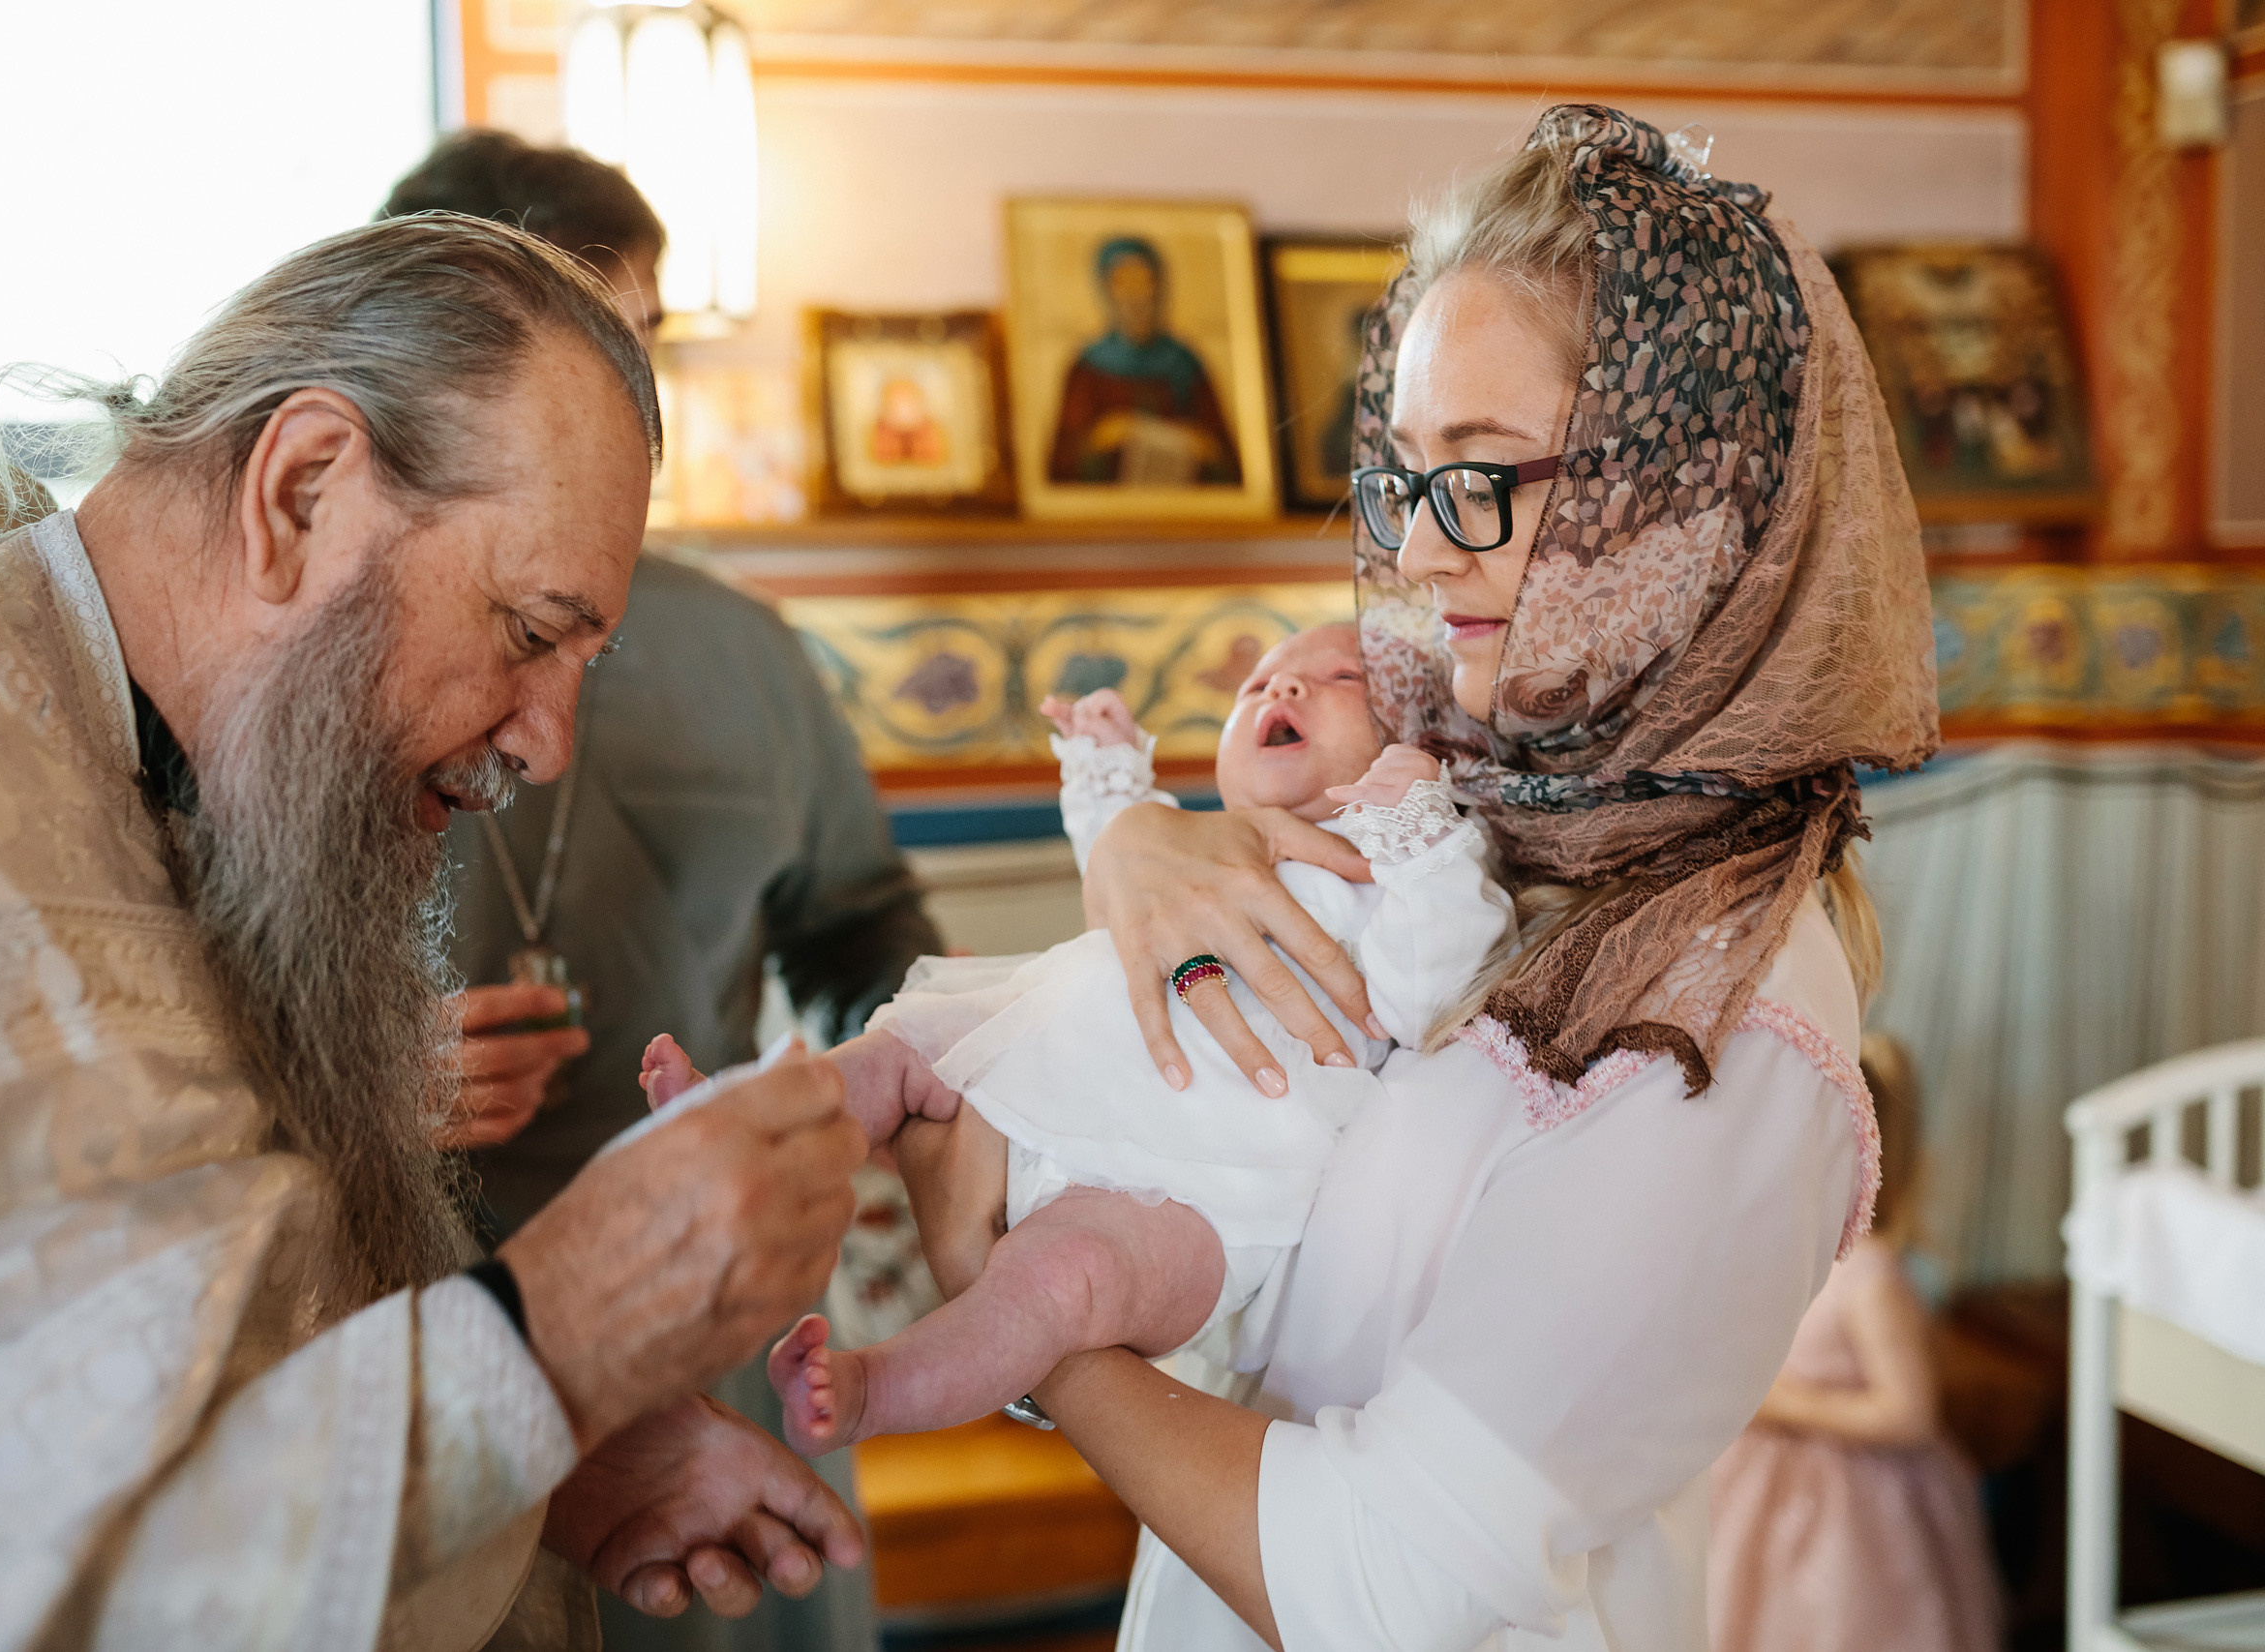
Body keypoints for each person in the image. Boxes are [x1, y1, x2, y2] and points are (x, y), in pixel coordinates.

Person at [846, 105, 1942, 1650]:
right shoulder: (1496, 803)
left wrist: (1019, 1311)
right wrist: (1151, 847)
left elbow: (1391, 1580)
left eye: (1486, 474)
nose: (1426, 557)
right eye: (1408, 478)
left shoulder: (1729, 1027)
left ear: (1694, 504)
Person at [0, 216, 887, 1649]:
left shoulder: (177, 781)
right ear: (300, 492)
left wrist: (528, 1467)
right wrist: (554, 1337)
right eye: (527, 630)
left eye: (581, 660)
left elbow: (187, 1356)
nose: (547, 743)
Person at [380, 130, 938, 1652]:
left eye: (645, 346)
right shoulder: (327, 649)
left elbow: (861, 920)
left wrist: (866, 1075)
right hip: (429, 1317)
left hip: (720, 1315)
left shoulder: (745, 651)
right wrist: (367, 1086)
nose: (635, 406)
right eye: (586, 341)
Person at [741, 624, 1510, 1454]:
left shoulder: (1379, 879)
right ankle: (748, 1127)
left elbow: (1435, 983)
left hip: (1195, 1189)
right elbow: (1113, 862)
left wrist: (1421, 834)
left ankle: (873, 1389)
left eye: (1338, 677)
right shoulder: (1190, 839)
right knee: (908, 1040)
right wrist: (1106, 769)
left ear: (1425, 743)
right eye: (1258, 682)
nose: (1282, 689)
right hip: (1037, 1065)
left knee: (1058, 1287)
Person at [1707, 1034, 2003, 1652]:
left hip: (1852, 1506)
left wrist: (1778, 1404)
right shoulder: (1784, 1251)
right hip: (1760, 1479)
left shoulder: (1868, 1277)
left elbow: (1908, 1414)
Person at [1046, 236, 1243, 487]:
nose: (1135, 296)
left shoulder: (1186, 363)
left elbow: (1226, 461)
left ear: (1159, 287)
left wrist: (1197, 443)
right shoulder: (1088, 367)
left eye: (1144, 282)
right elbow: (1061, 466)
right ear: (1106, 290)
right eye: (1123, 284)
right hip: (1106, 513)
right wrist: (1104, 436)